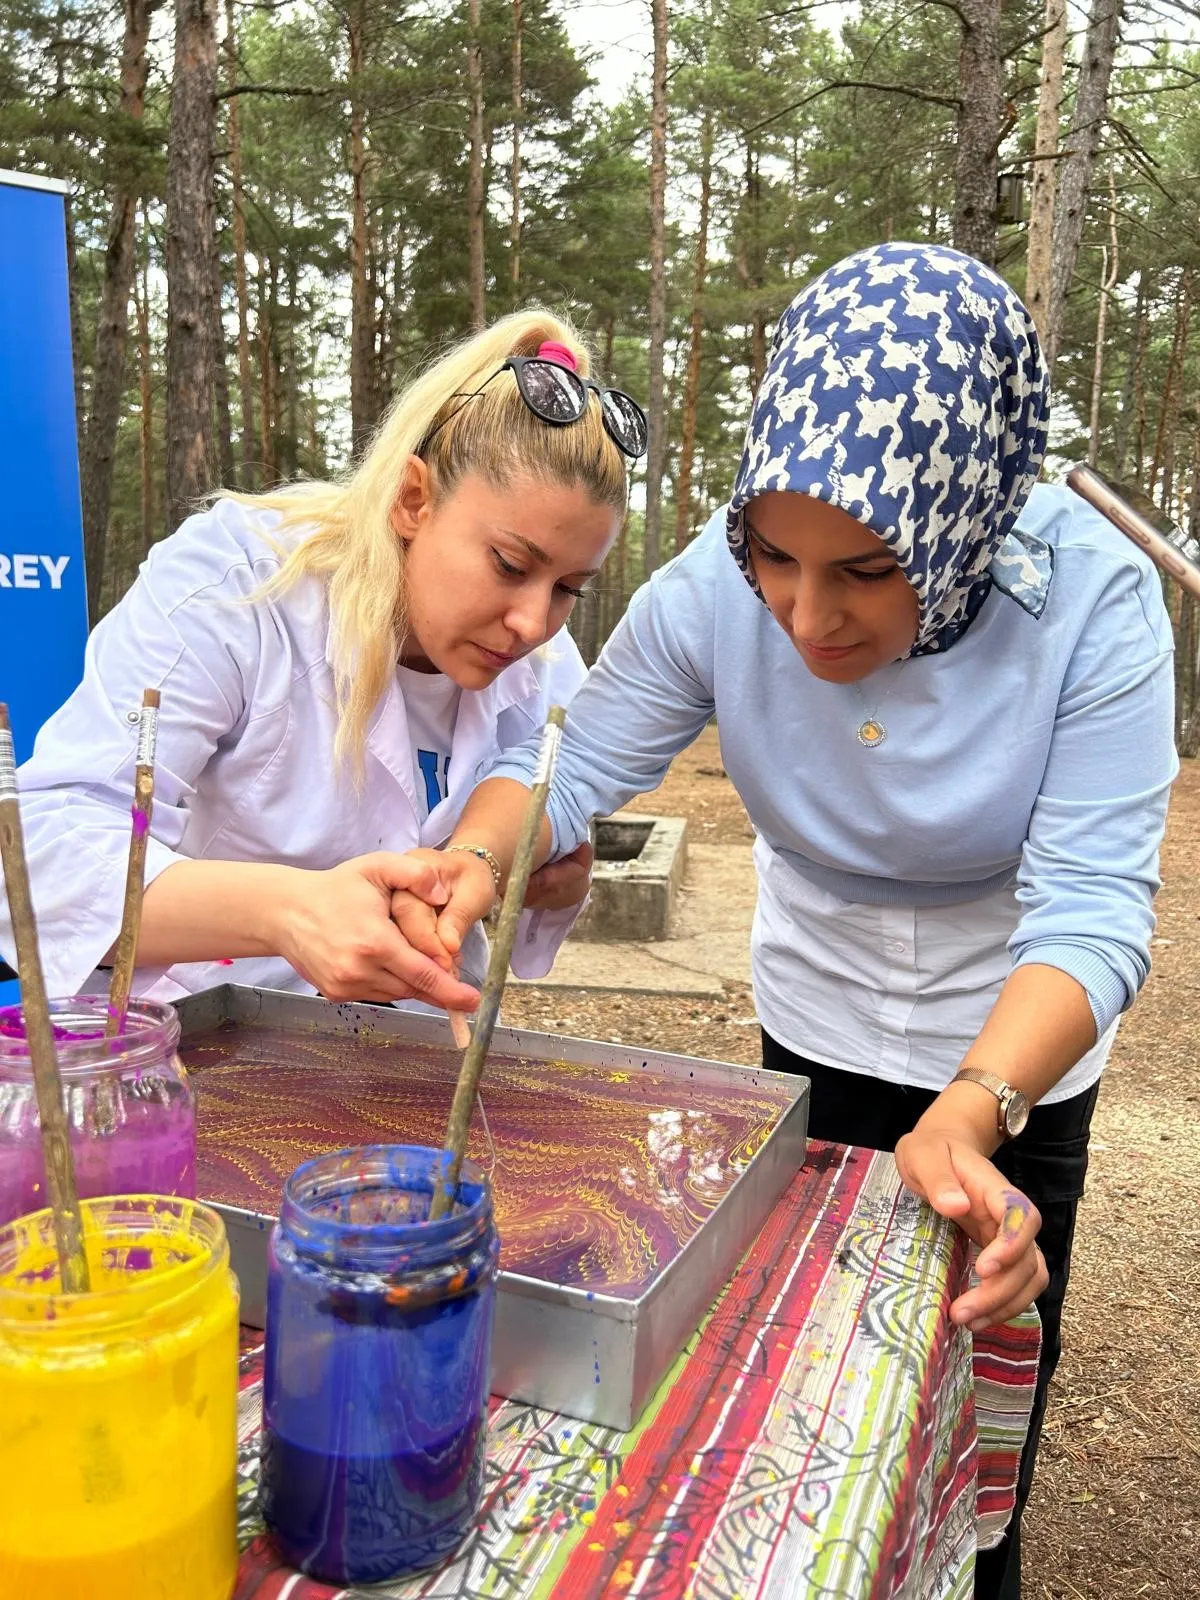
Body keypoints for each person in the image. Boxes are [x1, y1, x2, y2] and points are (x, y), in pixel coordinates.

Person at [388, 244, 1177, 1598]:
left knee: (972, 1399)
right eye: (776, 558)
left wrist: (974, 1106)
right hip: (813, 1008)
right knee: (796, 1379)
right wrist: (474, 858)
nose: (809, 618)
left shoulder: (1097, 603)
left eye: (867, 571)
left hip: (1016, 1043)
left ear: (963, 518)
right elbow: (575, 768)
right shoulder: (714, 580)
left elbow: (1095, 911)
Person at [0, 312, 646, 1008]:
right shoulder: (241, 584)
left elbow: (548, 804)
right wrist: (286, 913)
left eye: (570, 589)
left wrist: (542, 881)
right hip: (210, 1037)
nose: (532, 622)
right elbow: (38, 856)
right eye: (510, 564)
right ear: (412, 499)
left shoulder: (543, 663)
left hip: (415, 1054)